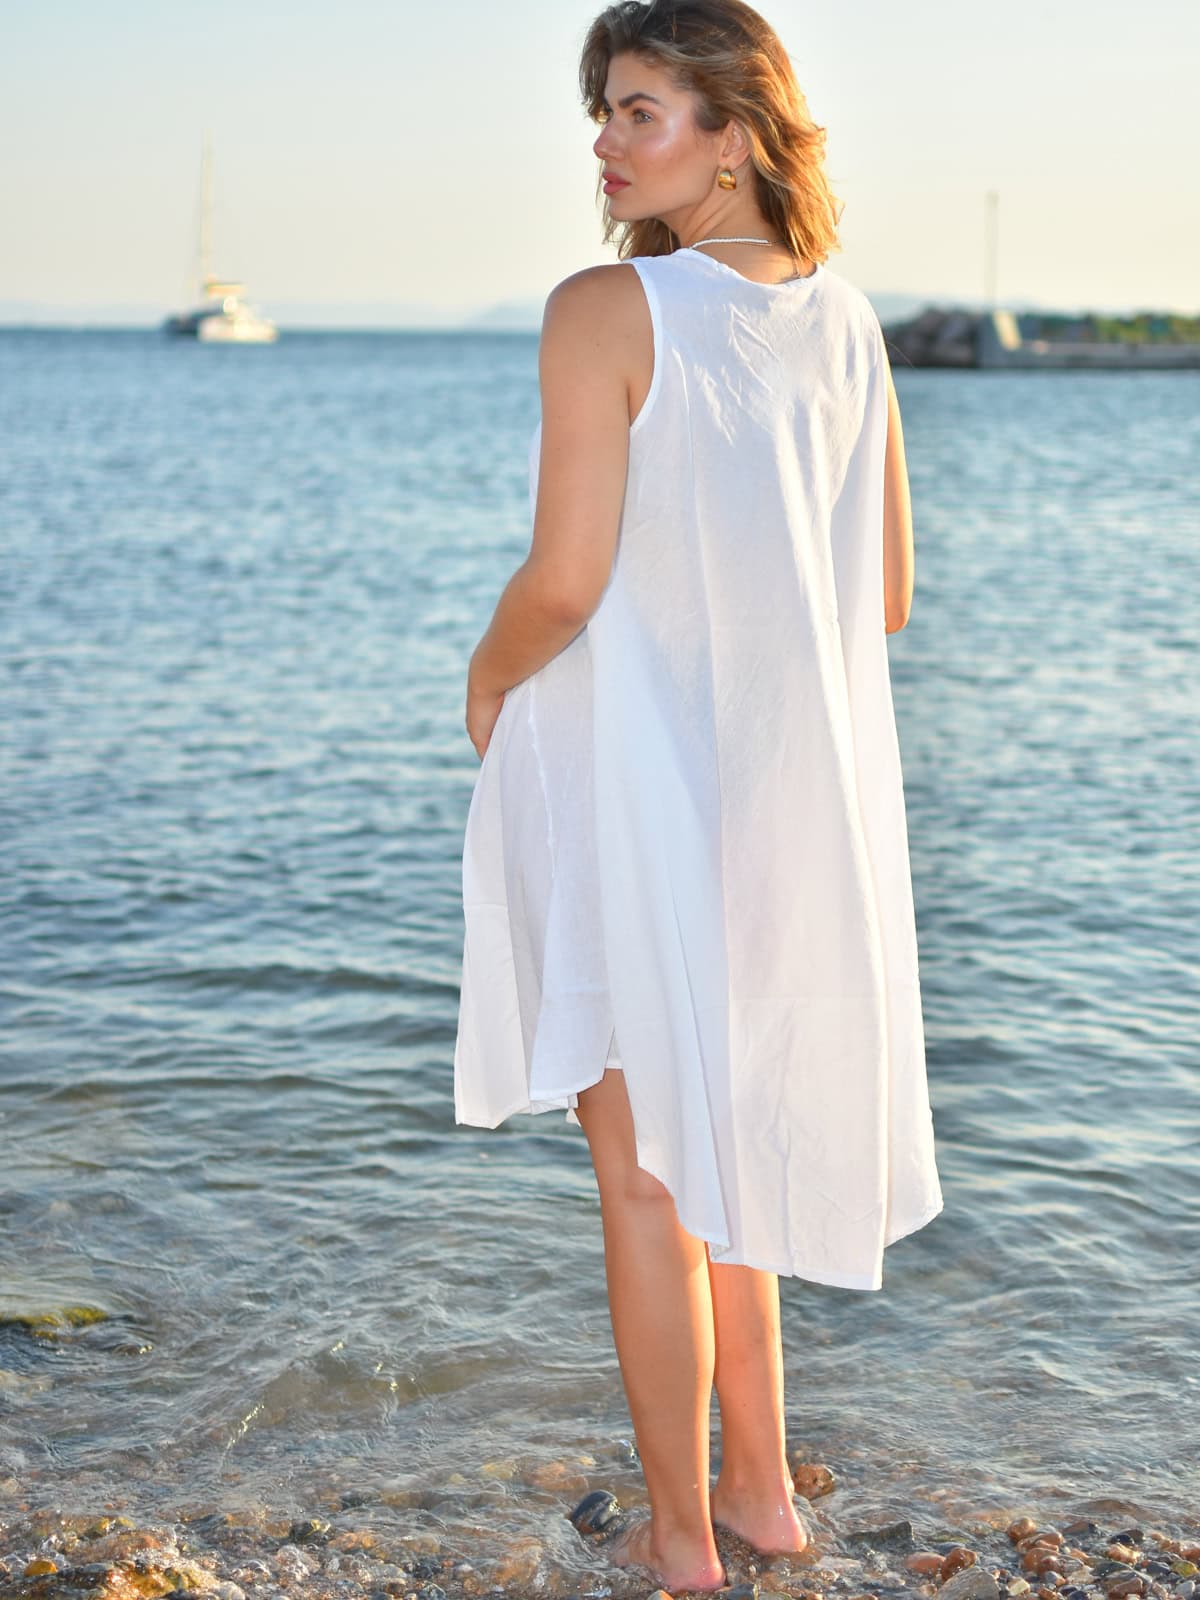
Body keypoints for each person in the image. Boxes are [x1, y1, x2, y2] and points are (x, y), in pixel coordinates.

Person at [453, 0, 945, 1591]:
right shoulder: (848, 319)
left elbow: (563, 580)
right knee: (729, 1161)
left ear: (733, 135)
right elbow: (885, 596)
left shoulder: (606, 307)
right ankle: (765, 1497)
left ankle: (680, 1542)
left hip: (637, 787)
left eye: (639, 111)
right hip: (794, 804)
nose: (604, 143)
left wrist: (486, 678)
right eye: (602, 112)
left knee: (645, 1175)